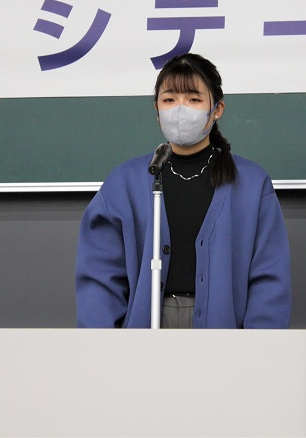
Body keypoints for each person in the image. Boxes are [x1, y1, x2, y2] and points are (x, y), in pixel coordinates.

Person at [75, 53, 291, 329]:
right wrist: (102, 342)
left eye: (193, 99)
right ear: (157, 109)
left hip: (224, 337)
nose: (180, 109)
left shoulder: (251, 183)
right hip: (142, 337)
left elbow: (269, 277)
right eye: (169, 100)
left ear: (217, 109)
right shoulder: (124, 182)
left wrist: (258, 345)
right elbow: (99, 276)